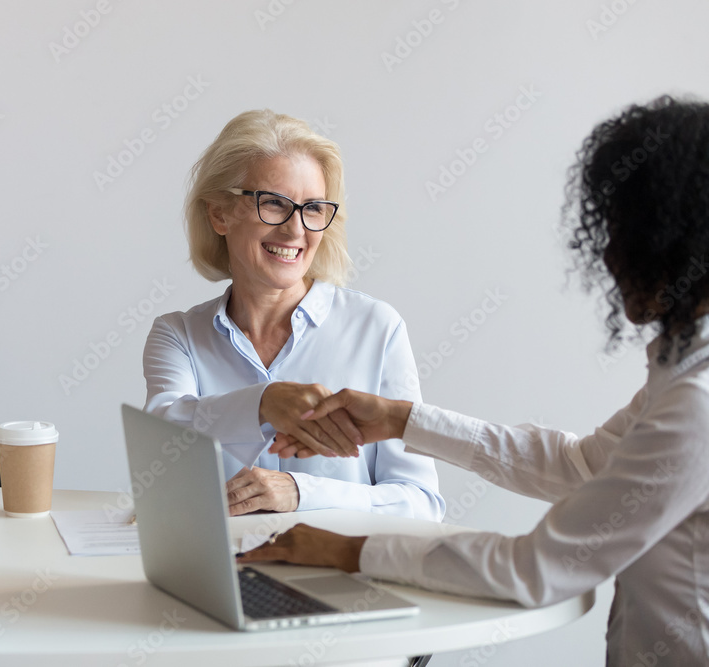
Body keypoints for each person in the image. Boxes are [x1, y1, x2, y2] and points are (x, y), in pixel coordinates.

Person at [241, 96, 709, 664]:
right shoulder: (683, 374)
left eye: (621, 234)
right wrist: (399, 419)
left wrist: (344, 550)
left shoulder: (697, 403)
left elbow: (534, 570)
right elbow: (581, 466)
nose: (606, 255)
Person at [143, 110, 444, 519]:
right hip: (218, 577)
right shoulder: (178, 336)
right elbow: (164, 436)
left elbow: (420, 502)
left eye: (313, 208)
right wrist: (263, 404)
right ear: (219, 214)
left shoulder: (376, 328)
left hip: (333, 578)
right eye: (273, 203)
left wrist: (302, 492)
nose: (295, 230)